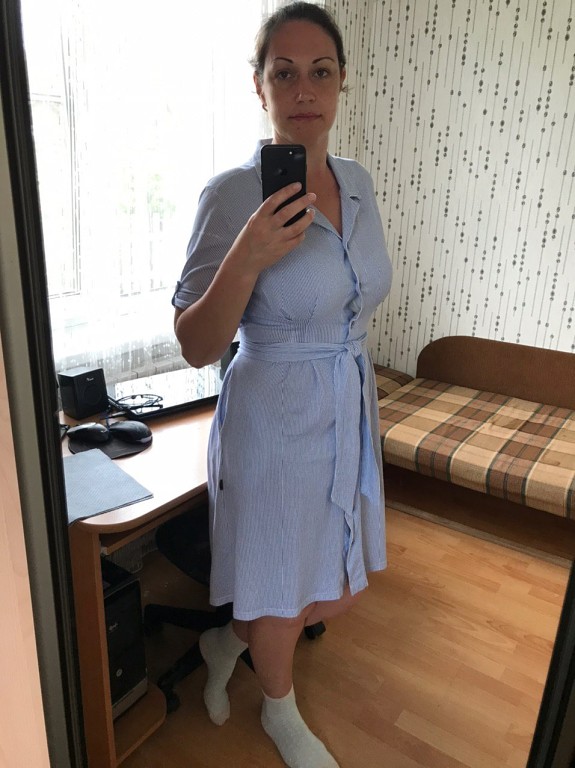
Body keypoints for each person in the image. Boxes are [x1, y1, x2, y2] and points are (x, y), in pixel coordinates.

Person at [172, 3, 392, 766]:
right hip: (272, 419)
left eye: (320, 72)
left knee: (326, 581)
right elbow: (196, 344)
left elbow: (357, 292)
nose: (304, 91)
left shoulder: (357, 183)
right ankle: (278, 712)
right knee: (279, 581)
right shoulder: (232, 194)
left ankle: (223, 643)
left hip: (345, 403)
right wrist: (247, 255)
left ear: (341, 82)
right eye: (284, 72)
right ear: (258, 85)